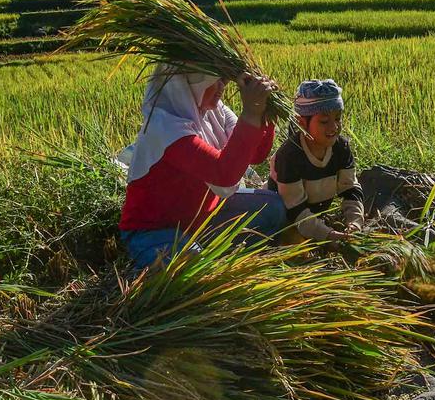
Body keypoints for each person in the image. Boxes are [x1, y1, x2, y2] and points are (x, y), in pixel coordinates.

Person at [118, 66, 286, 270]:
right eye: (214, 81)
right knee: (196, 268)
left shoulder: (214, 111)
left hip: (204, 217)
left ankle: (213, 253)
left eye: (224, 81)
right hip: (156, 230)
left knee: (273, 207)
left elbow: (256, 155)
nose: (222, 87)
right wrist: (250, 113)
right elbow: (223, 175)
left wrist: (264, 115)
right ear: (189, 83)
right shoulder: (164, 127)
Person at [269, 79, 365, 241]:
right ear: (302, 123)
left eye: (337, 118)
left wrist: (354, 223)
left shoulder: (341, 148)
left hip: (313, 218)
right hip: (285, 220)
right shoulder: (289, 156)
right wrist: (328, 235)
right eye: (324, 121)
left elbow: (350, 189)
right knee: (297, 247)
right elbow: (295, 210)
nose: (334, 127)